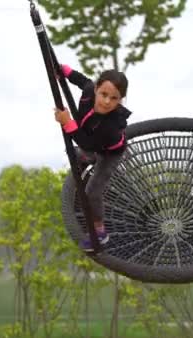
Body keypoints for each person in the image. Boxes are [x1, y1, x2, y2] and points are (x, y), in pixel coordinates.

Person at [54, 64, 131, 252]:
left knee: (92, 191)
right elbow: (81, 80)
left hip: (109, 153)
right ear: (96, 89)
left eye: (114, 99)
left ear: (120, 100)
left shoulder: (111, 126)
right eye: (103, 94)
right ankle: (86, 159)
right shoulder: (90, 90)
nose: (106, 102)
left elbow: (88, 143)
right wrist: (63, 70)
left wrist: (68, 123)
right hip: (91, 141)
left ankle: (100, 232)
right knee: (77, 153)